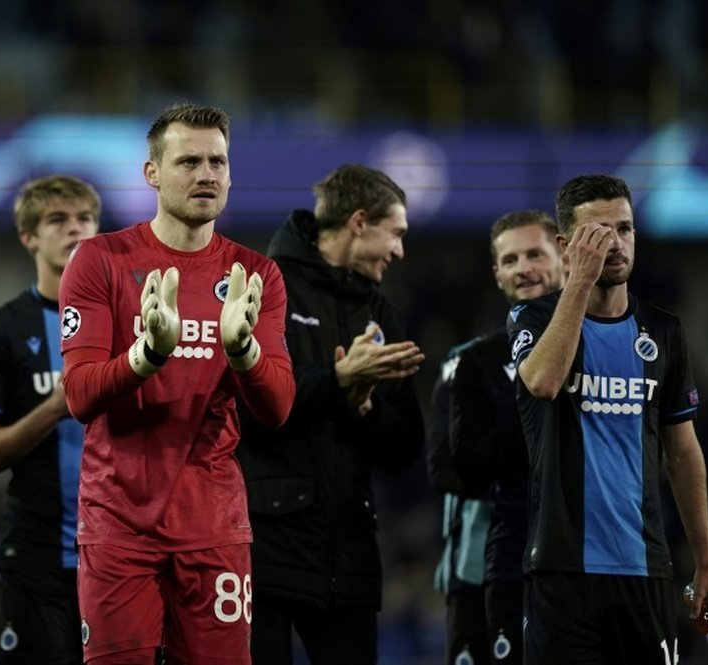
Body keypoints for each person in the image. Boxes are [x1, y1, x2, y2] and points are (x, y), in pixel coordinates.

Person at [58, 103, 296, 665]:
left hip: (213, 526)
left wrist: (243, 351)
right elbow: (80, 394)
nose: (206, 174)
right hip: (118, 526)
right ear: (152, 173)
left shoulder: (256, 275)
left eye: (218, 161)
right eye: (188, 161)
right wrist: (145, 356)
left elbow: (278, 407)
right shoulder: (99, 261)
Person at [508, 174, 708, 663]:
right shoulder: (533, 319)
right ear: (566, 246)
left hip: (645, 570)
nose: (615, 243)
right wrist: (580, 279)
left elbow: (683, 450)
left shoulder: (664, 331)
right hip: (561, 573)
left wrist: (706, 563)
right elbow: (542, 381)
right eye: (598, 233)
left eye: (625, 229)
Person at [236, 163, 426, 665]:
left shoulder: (384, 315)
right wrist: (337, 382)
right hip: (265, 551)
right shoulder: (266, 289)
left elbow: (406, 447)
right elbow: (246, 413)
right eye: (397, 233)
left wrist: (364, 409)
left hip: (352, 554)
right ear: (359, 222)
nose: (400, 250)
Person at [0, 175, 102, 664]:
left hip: (119, 554)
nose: (75, 230)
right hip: (37, 560)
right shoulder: (3, 330)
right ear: (28, 236)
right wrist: (53, 409)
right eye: (57, 220)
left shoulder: (128, 322)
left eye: (85, 219)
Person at [443, 210, 564, 665]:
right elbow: (467, 470)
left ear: (565, 257)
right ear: (497, 275)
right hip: (515, 559)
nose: (524, 267)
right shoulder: (476, 363)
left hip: (604, 561)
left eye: (535, 253)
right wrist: (533, 388)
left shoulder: (611, 344)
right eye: (510, 259)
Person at [428, 347, 491, 665]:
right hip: (473, 571)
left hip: (564, 570)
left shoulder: (583, 352)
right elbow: (443, 469)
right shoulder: (465, 361)